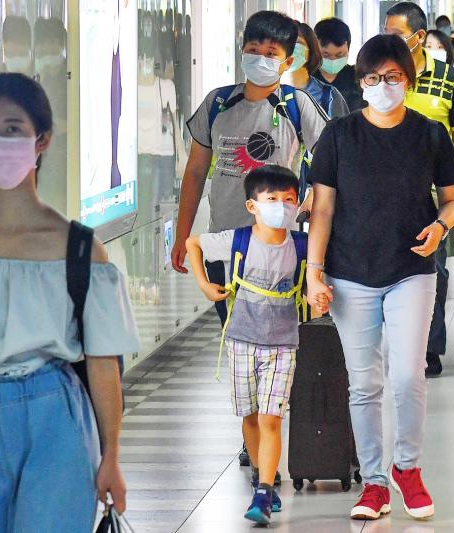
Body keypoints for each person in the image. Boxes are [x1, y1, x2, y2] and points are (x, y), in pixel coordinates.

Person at [0, 73, 137, 531]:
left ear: (42, 140)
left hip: (55, 415)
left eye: (13, 128)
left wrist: (112, 455)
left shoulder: (80, 248)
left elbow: (103, 363)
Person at [305, 34, 454, 521]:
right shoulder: (339, 135)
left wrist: (441, 228)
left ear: (408, 81)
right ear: (361, 82)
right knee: (363, 383)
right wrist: (314, 272)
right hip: (350, 273)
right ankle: (374, 482)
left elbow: (453, 200)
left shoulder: (429, 134)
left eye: (393, 77)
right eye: (373, 78)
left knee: (409, 375)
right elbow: (323, 209)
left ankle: (407, 468)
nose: (383, 86)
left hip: (411, 269)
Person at [171, 11, 327, 472]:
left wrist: (312, 206)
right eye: (253, 50)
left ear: (288, 60)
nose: (260, 58)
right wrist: (183, 234)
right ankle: (255, 435)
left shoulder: (296, 105)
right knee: (240, 343)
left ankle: (271, 428)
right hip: (228, 248)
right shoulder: (218, 103)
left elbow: (329, 164)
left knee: (279, 345)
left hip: (281, 250)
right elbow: (195, 172)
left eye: (270, 53)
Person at [185, 165, 304, 525]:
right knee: (250, 417)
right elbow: (193, 243)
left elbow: (317, 274)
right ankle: (259, 476)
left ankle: (265, 491)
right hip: (241, 342)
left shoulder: (300, 245)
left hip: (283, 344)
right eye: (272, 199)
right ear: (252, 206)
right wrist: (205, 285)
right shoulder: (238, 240)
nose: (281, 206)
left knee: (271, 418)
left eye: (289, 200)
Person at [384, 1, 454, 377]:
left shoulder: (448, 78)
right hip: (386, 191)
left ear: (418, 37)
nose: (389, 40)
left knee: (433, 268)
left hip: (435, 193)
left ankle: (430, 346)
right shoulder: (382, 74)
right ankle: (401, 342)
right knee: (390, 268)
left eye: (396, 34)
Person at [284, 22, 349, 118]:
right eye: (284, 42)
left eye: (296, 43)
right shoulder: (266, 92)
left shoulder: (329, 95)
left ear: (310, 49)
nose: (289, 48)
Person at [313, 17, 365, 112]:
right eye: (326, 55)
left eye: (339, 55)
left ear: (348, 49)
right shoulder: (305, 78)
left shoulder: (358, 78)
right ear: (315, 50)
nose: (333, 60)